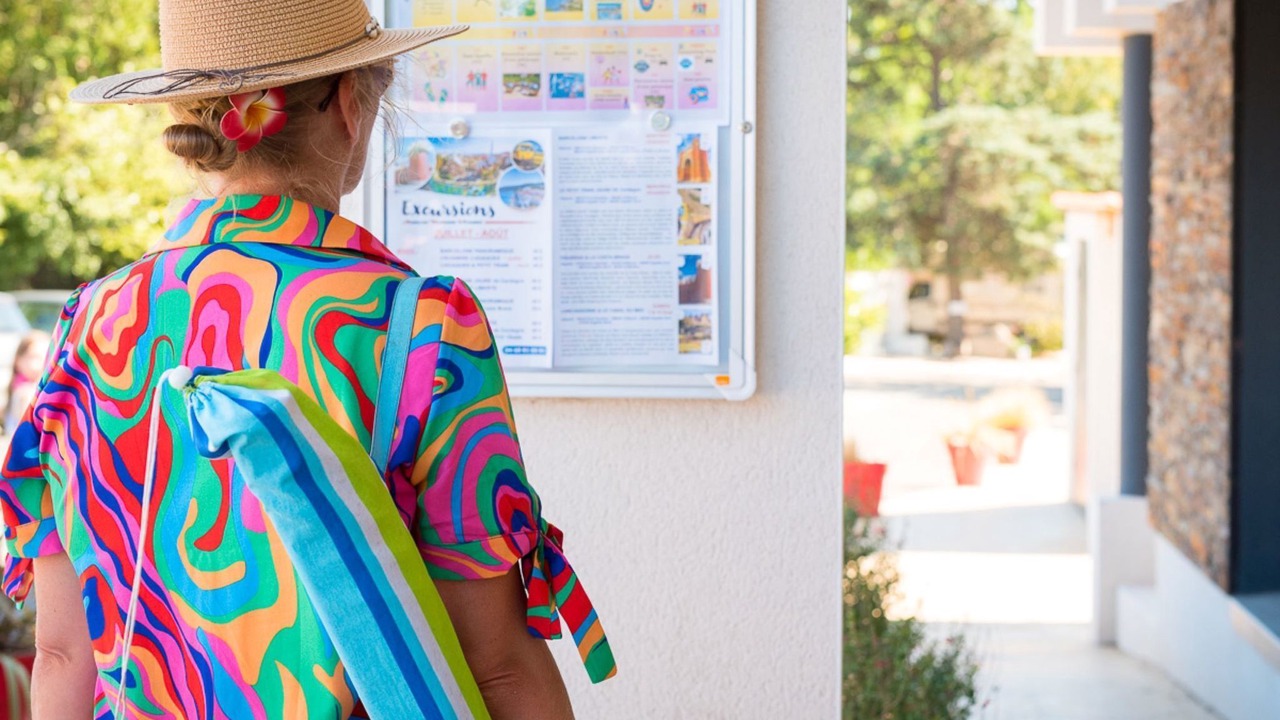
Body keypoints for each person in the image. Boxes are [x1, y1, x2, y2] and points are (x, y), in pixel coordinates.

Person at [0, 2, 612, 718]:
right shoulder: (416, 328)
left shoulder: (89, 326)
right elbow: (498, 667)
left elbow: (64, 657)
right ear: (353, 104)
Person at [3, 331, 50, 435]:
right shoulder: (26, 392)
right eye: (34, 357)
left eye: (46, 357)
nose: (41, 363)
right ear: (18, 360)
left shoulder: (15, 389)